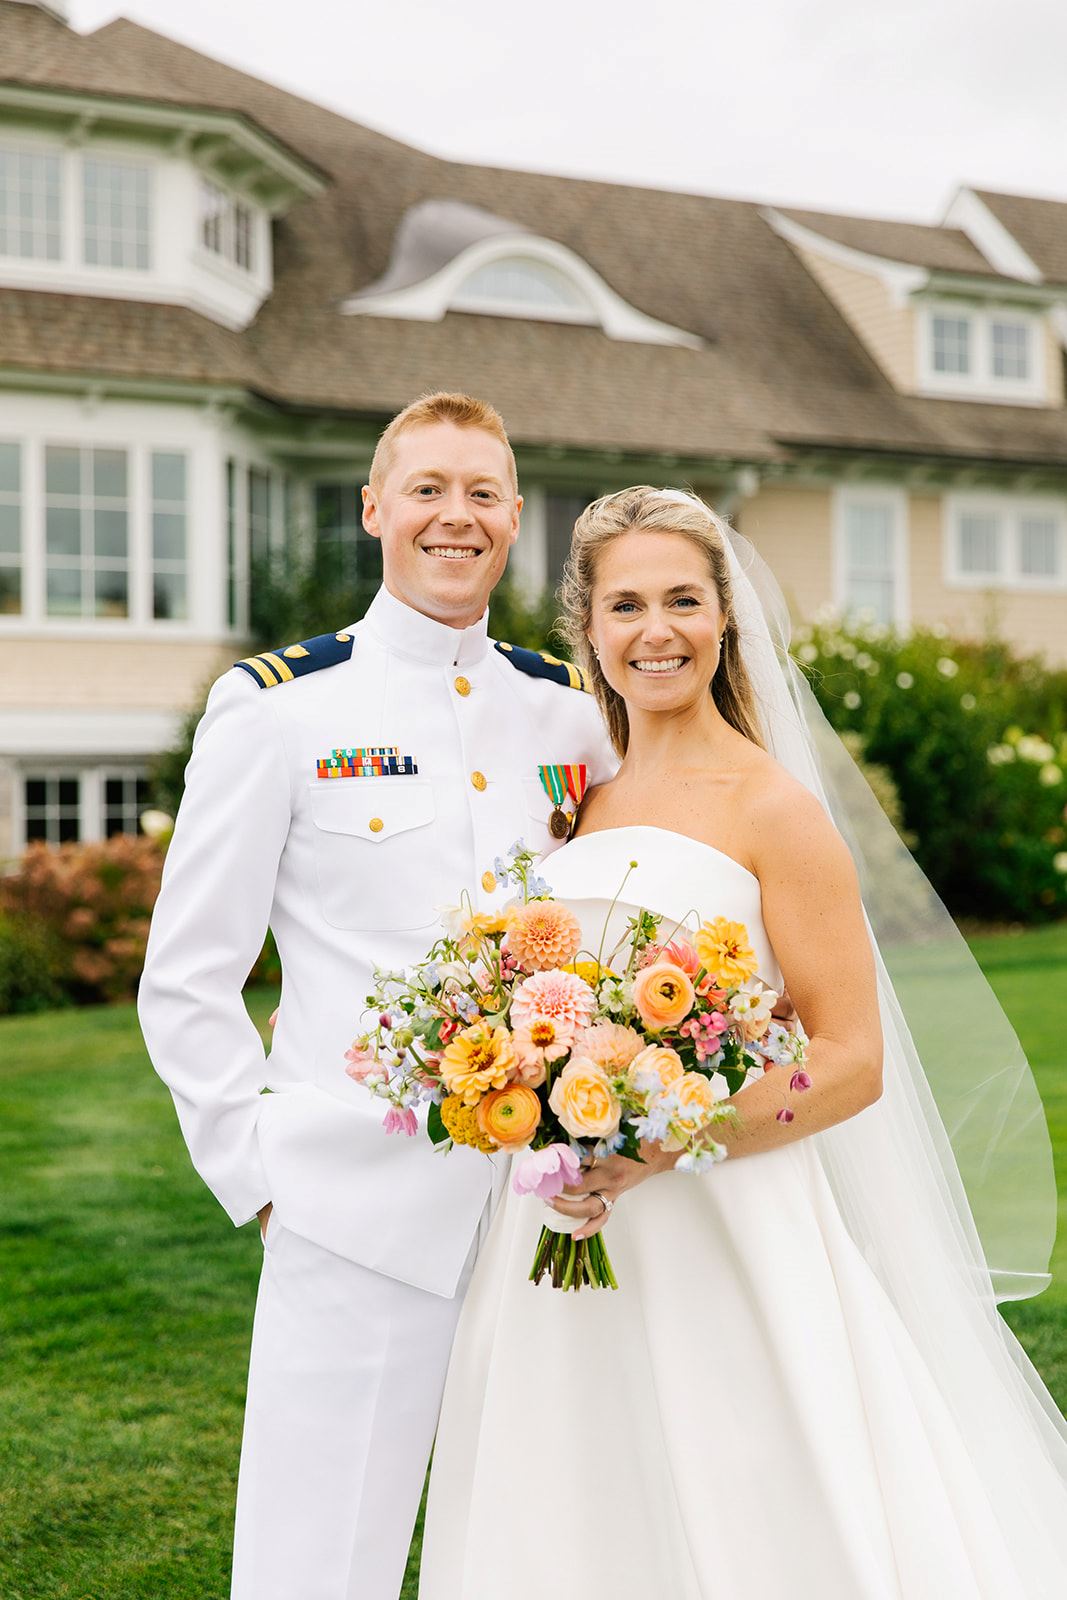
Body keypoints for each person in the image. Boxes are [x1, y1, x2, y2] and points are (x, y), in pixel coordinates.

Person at [420, 487, 1067, 1599]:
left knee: (754, 1499)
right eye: (624, 604)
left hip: (726, 1221)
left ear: (724, 619)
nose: (654, 629)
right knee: (571, 1504)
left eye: (682, 598)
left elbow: (849, 1057)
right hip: (564, 1219)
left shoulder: (775, 810)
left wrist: (670, 1137)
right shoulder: (580, 807)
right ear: (589, 628)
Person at [136, 392, 617, 1600]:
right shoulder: (283, 709)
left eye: (482, 492)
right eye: (426, 488)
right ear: (374, 510)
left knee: (542, 1551)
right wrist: (257, 1179)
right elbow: (188, 975)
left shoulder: (570, 709)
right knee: (317, 1564)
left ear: (514, 516)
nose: (455, 516)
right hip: (347, 1213)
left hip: (544, 1217)